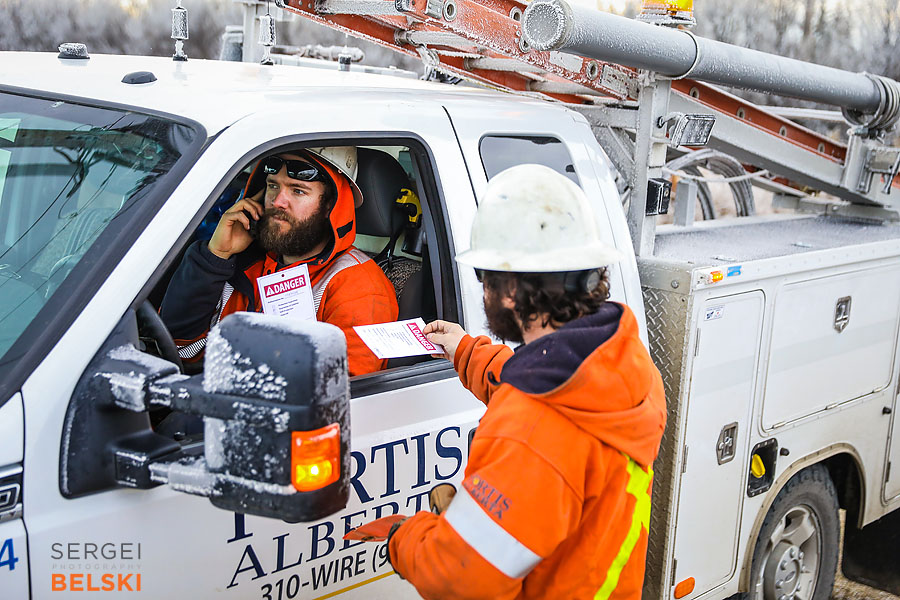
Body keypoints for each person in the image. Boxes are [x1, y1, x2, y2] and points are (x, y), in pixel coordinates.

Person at [385, 164, 667, 599]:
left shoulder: (532, 428)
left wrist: (405, 537)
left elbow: (456, 579)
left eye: (485, 277)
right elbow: (546, 389)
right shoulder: (622, 362)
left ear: (511, 290)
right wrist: (465, 350)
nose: (482, 292)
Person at [160, 147, 398, 376]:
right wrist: (215, 256)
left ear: (330, 205)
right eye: (273, 186)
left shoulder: (357, 286)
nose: (277, 201)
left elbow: (340, 398)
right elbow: (178, 348)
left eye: (298, 190)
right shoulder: (243, 263)